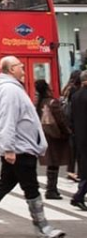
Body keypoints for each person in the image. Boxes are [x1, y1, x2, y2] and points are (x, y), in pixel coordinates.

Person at [0, 56, 64, 238]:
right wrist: (9, 148)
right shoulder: (10, 90)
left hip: (20, 146)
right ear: (12, 69)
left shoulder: (11, 88)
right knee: (31, 188)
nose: (23, 69)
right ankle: (43, 228)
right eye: (20, 66)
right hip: (20, 148)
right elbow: (8, 119)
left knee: (6, 182)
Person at [34, 79, 70, 200]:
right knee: (54, 162)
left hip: (45, 135)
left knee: (52, 162)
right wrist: (67, 131)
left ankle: (51, 188)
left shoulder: (38, 103)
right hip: (55, 135)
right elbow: (60, 120)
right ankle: (51, 189)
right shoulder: (53, 102)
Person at [70, 70, 87, 211]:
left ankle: (79, 196)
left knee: (84, 167)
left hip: (80, 136)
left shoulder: (75, 95)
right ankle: (79, 196)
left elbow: (70, 116)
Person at [62, 70, 82, 182]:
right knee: (77, 147)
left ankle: (71, 170)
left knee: (72, 147)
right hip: (74, 119)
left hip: (68, 119)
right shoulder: (75, 89)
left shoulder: (68, 87)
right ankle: (77, 171)